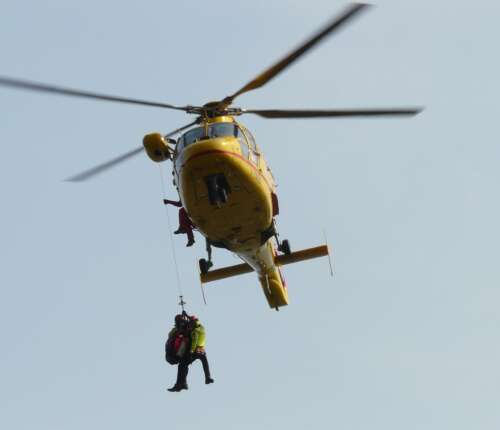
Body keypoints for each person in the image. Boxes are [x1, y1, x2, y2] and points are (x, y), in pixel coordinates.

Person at [168, 315, 214, 392]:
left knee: (184, 364)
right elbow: (171, 335)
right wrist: (186, 316)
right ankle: (182, 384)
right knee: (183, 364)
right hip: (196, 351)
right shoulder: (198, 327)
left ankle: (182, 384)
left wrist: (191, 351)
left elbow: (194, 340)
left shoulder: (194, 330)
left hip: (193, 351)